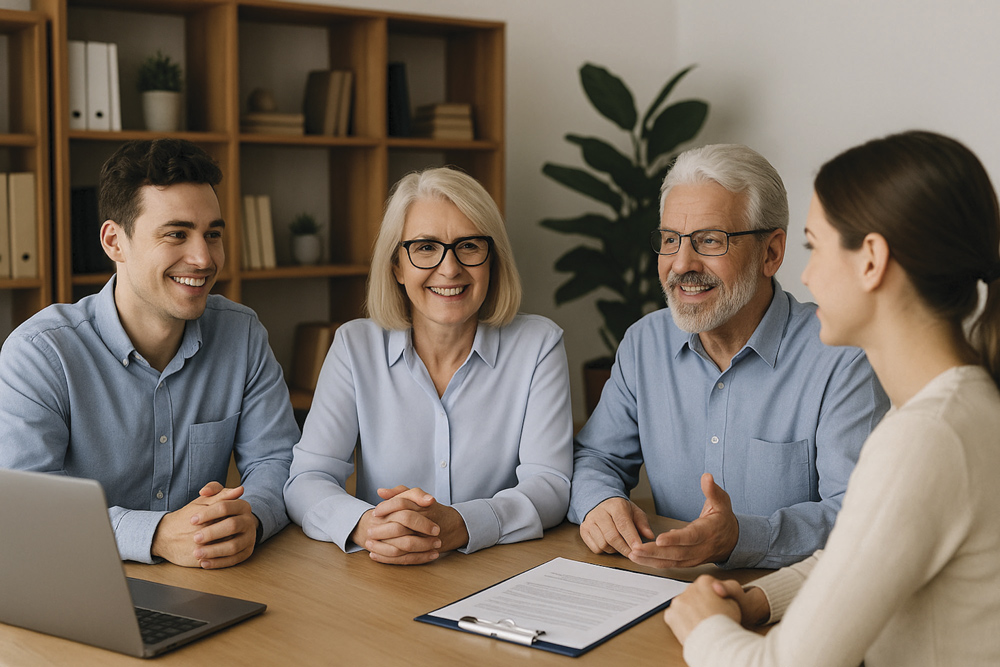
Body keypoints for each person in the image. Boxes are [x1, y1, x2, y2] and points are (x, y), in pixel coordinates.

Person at [663, 130, 1000, 666]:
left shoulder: (926, 438)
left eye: (814, 247)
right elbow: (866, 554)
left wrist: (703, 627)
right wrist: (757, 600)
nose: (806, 274)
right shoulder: (960, 406)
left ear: (870, 260)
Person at [569, 144, 889, 570]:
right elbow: (596, 457)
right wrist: (600, 502)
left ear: (771, 253)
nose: (682, 263)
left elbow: (859, 515)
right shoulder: (644, 343)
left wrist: (743, 538)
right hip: (663, 591)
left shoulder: (841, 358)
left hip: (787, 604)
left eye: (709, 240)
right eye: (670, 240)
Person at [0, 139, 299, 569]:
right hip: (78, 582)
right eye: (176, 234)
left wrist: (249, 516)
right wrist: (155, 536)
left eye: (212, 234)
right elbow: (27, 506)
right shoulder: (40, 355)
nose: (203, 258)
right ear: (114, 242)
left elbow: (278, 461)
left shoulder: (242, 334)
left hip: (207, 583)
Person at [283, 167, 573, 565]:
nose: (449, 268)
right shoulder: (355, 346)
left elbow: (550, 484)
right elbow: (306, 479)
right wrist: (367, 525)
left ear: (493, 260)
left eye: (468, 246)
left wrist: (461, 524)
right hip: (383, 574)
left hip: (499, 573)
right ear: (398, 267)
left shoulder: (538, 345)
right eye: (424, 247)